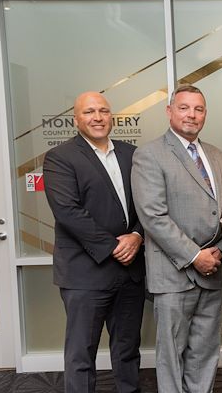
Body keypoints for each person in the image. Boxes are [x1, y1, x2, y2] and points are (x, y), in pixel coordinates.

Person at [43, 91, 145, 393]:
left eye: (103, 110)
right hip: (85, 273)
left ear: (112, 116)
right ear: (76, 119)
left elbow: (148, 204)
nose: (97, 117)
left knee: (127, 350)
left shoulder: (131, 154)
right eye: (89, 112)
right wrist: (115, 246)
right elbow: (68, 212)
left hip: (130, 272)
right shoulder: (60, 157)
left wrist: (138, 235)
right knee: (81, 353)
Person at [131, 84, 222, 393]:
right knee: (171, 357)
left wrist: (219, 251)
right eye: (184, 107)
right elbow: (153, 216)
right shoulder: (149, 155)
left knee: (204, 354)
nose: (192, 115)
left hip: (212, 271)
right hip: (174, 274)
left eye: (199, 109)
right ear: (169, 111)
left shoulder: (217, 156)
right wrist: (194, 256)